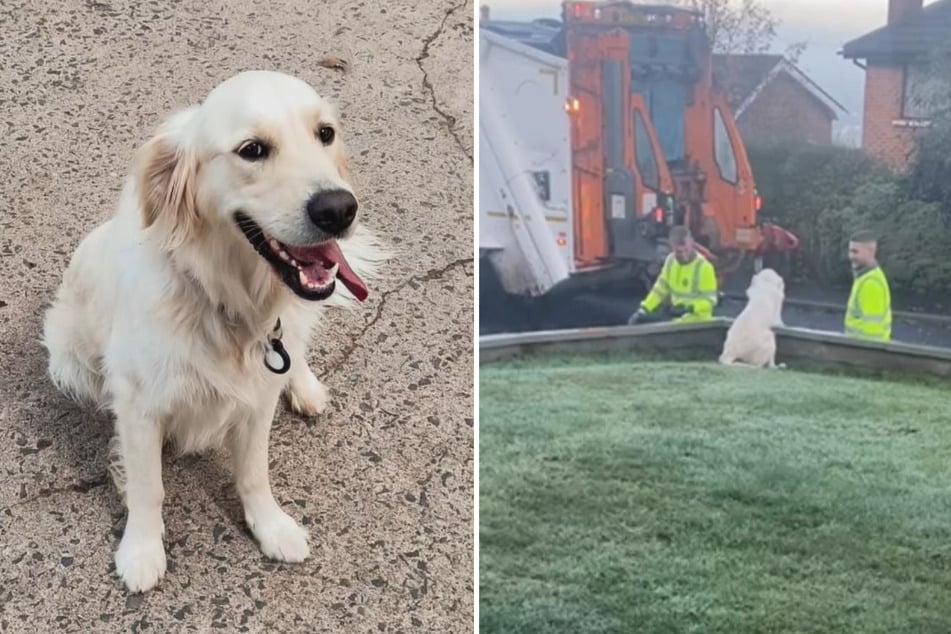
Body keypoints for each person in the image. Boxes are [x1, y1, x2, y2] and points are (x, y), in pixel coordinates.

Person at [628, 226, 718, 325]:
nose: (684, 255)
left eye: (686, 250)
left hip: (699, 325)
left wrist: (690, 308)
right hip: (677, 323)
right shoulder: (670, 262)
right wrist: (644, 309)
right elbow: (659, 290)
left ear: (692, 243)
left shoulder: (704, 267)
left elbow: (710, 301)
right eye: (679, 252)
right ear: (672, 247)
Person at [844, 230, 892, 342]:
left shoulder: (871, 283)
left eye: (855, 252)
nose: (851, 256)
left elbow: (870, 331)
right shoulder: (865, 278)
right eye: (850, 251)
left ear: (870, 251)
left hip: (866, 354)